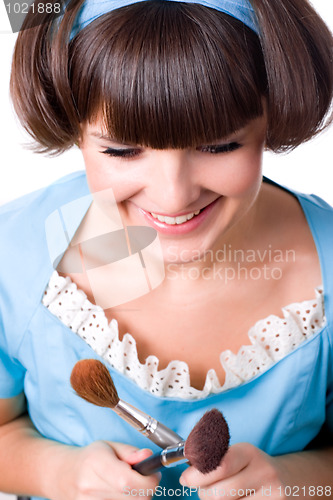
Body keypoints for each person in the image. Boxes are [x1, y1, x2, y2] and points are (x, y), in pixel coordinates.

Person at [1, 0, 333, 498]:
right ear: (78, 132)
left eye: (220, 146)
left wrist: (298, 484)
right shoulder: (18, 254)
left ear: (270, 118)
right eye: (122, 150)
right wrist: (57, 473)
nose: (173, 196)